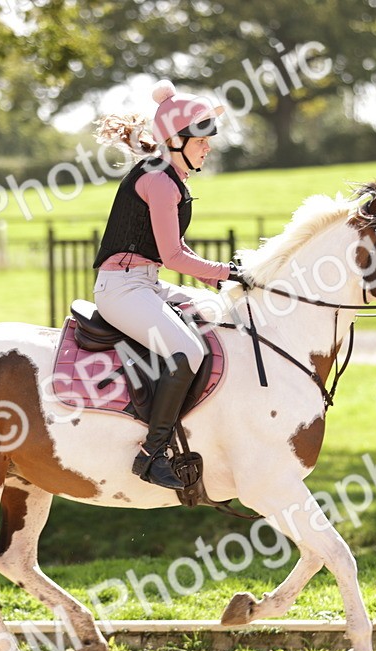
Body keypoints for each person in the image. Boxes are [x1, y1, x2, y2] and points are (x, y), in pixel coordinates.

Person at [91, 80, 251, 490]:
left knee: (218, 318)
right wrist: (228, 272)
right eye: (203, 137)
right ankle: (151, 454)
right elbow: (175, 257)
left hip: (143, 284)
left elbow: (174, 253)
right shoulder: (160, 182)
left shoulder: (170, 176)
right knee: (187, 348)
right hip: (122, 289)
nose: (209, 145)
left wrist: (223, 280)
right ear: (177, 139)